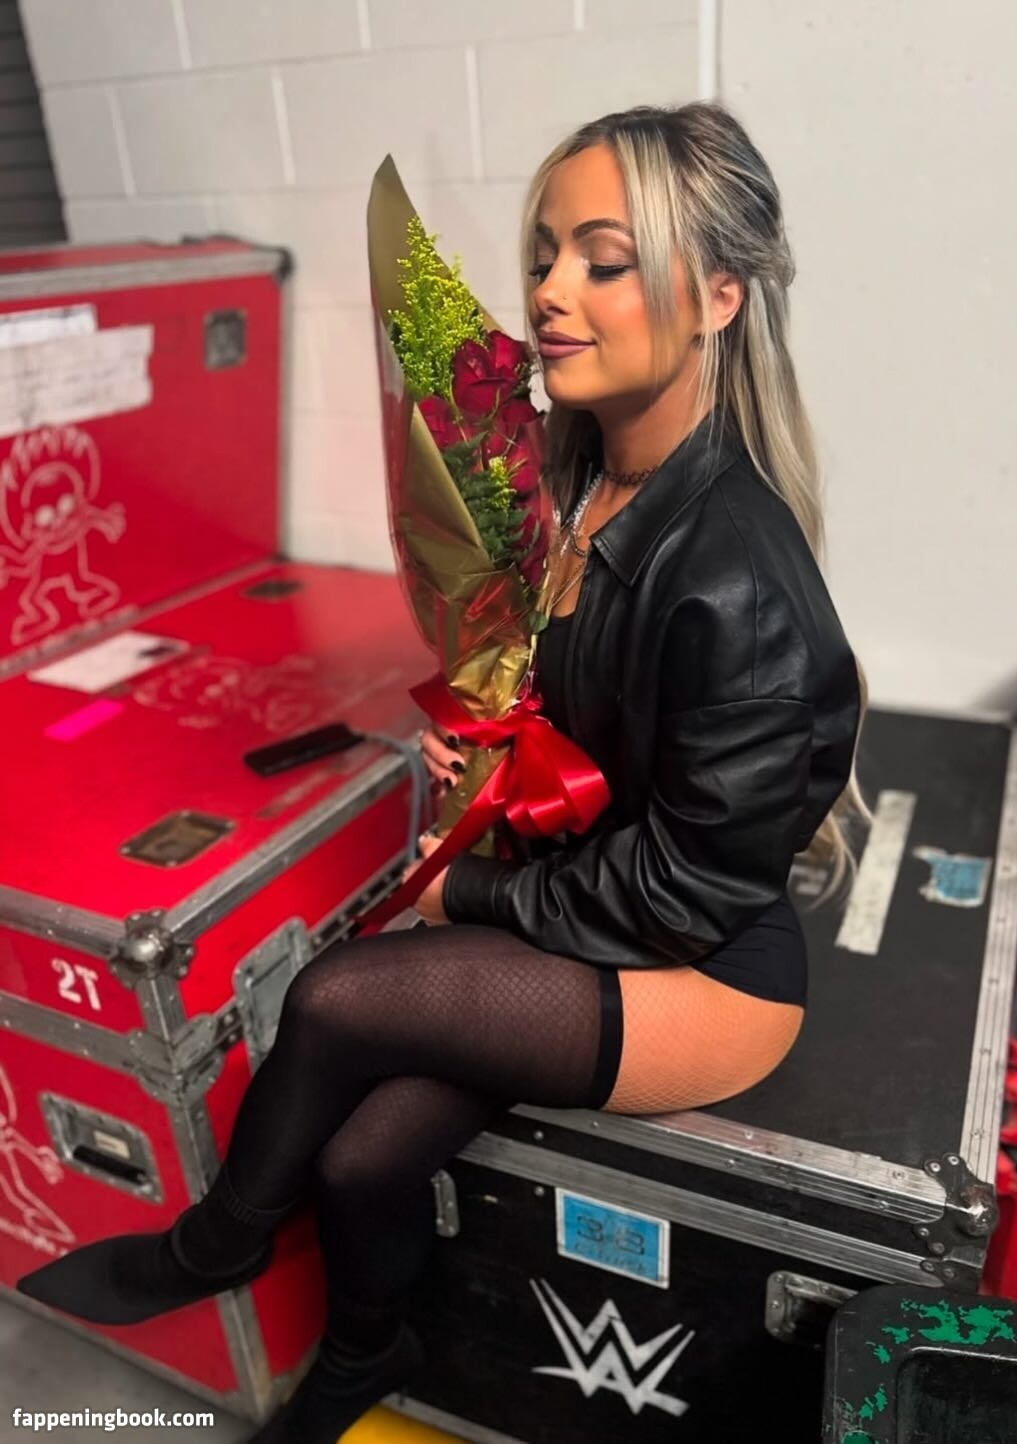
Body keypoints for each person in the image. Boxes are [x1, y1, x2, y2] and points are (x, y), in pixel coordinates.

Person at [16, 100, 869, 1444]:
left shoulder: (741, 579)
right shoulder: (582, 476)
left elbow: (689, 888)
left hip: (700, 969)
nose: (550, 292)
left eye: (603, 260)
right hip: (591, 898)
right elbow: (587, 713)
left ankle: (215, 1242)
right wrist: (494, 737)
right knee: (363, 1156)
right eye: (543, 256)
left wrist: (468, 893)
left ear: (718, 295)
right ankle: (365, 1356)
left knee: (339, 994)